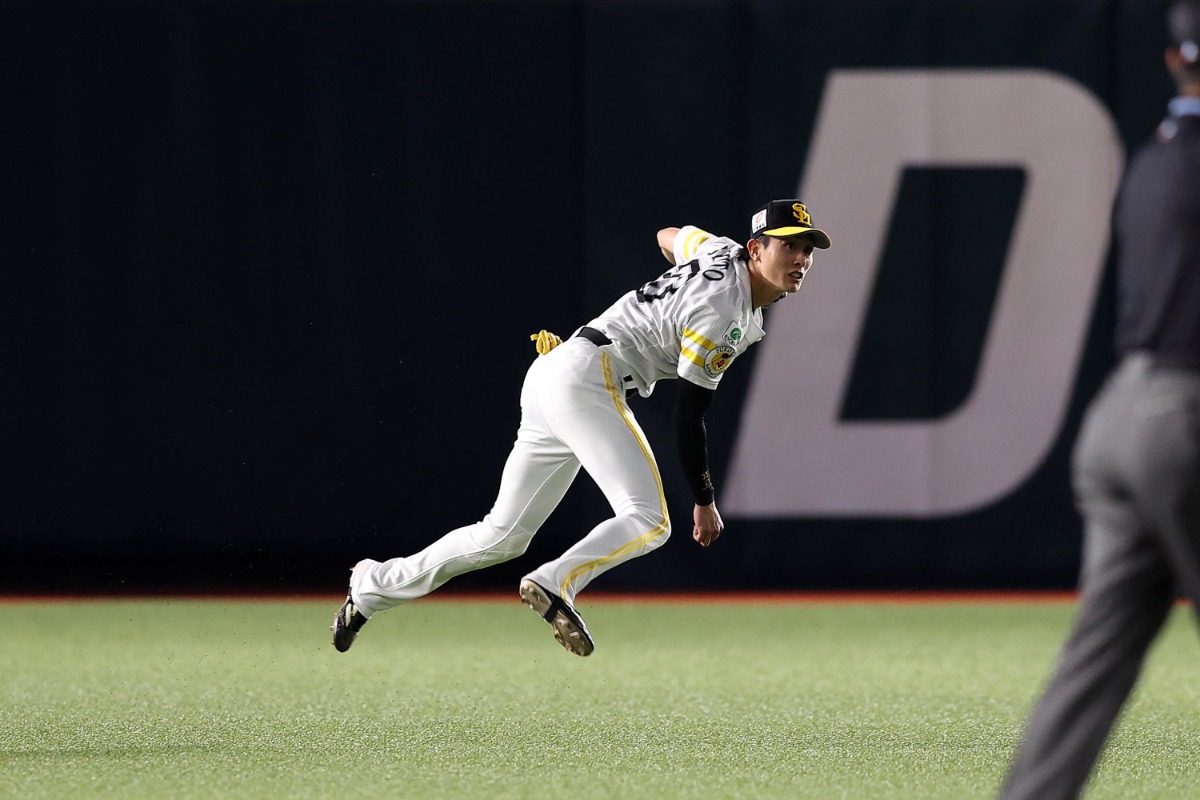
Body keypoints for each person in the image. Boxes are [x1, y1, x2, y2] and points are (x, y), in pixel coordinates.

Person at [330, 199, 831, 656]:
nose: (801, 259)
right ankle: (556, 582)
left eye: (807, 248)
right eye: (788, 246)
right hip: (590, 378)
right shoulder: (724, 315)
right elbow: (688, 416)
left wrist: (681, 284)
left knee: (501, 536)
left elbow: (667, 235)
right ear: (755, 249)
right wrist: (704, 500)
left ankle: (373, 586)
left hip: (559, 369)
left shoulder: (718, 250)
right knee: (649, 521)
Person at [999, 3, 1200, 797]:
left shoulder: (1156, 157)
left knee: (1095, 661)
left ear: (1174, 62)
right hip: (1186, 420)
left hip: (1121, 418)